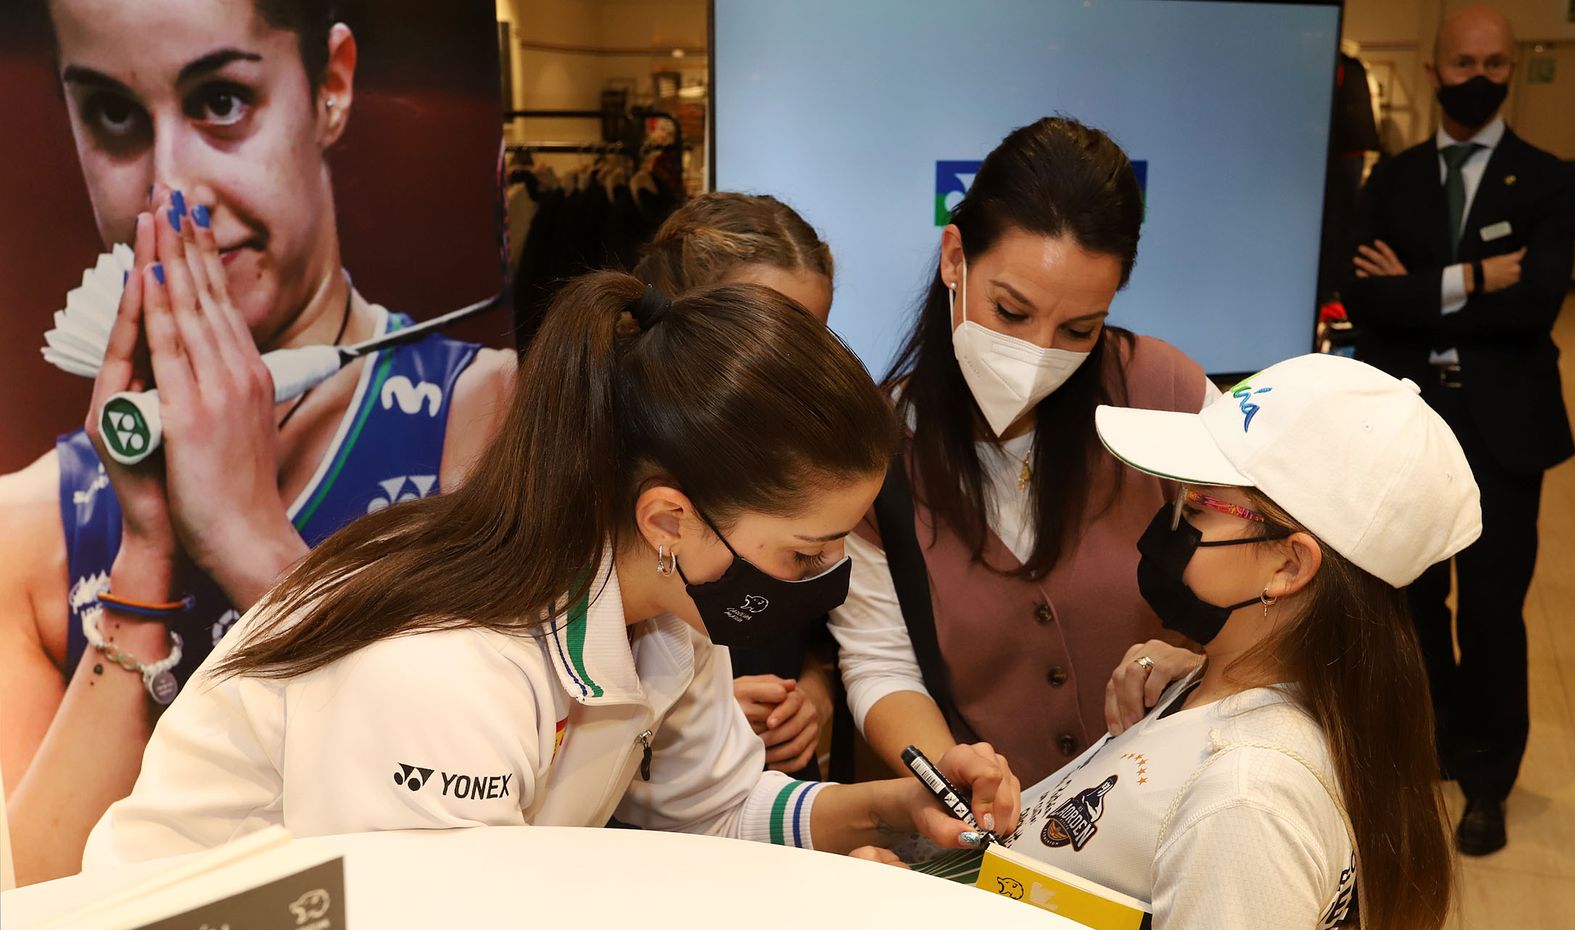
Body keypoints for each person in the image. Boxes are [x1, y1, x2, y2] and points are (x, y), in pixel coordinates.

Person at [82, 273, 1021, 868]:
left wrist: (894, 808)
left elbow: (725, 809)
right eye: (806, 555)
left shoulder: (670, 615)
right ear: (670, 518)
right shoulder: (445, 666)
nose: (827, 583)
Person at [0, 0, 517, 884]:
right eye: (113, 116)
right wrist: (146, 562)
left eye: (223, 101)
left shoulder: (489, 420)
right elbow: (38, 908)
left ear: (332, 88)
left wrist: (250, 543)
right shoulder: (29, 522)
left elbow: (485, 809)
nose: (172, 193)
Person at [857, 354, 1475, 930]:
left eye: (1199, 504)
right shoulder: (1210, 680)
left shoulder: (1249, 803)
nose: (1168, 518)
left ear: (1290, 563)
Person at [828, 116, 1212, 790]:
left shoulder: (1164, 394)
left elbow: (1269, 571)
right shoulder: (875, 451)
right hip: (1002, 836)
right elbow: (881, 663)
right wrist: (952, 772)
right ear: (955, 259)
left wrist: (1196, 654)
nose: (1037, 351)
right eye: (1011, 312)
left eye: (1078, 328)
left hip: (1170, 802)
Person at [1344, 4, 1575, 855]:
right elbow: (1365, 296)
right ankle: (1437, 738)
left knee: (1490, 609)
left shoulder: (1550, 177)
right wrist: (1476, 276)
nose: (1480, 76)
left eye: (1495, 62)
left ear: (1512, 67)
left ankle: (1488, 781)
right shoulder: (1393, 179)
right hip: (1407, 421)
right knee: (1409, 598)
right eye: (1463, 62)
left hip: (1504, 428)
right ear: (1432, 70)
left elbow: (1537, 305)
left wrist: (1423, 291)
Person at [633, 192, 838, 778]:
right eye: (768, 339)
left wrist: (815, 699)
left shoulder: (820, 470)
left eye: (812, 342)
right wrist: (700, 716)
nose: (794, 372)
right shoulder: (632, 488)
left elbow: (831, 636)